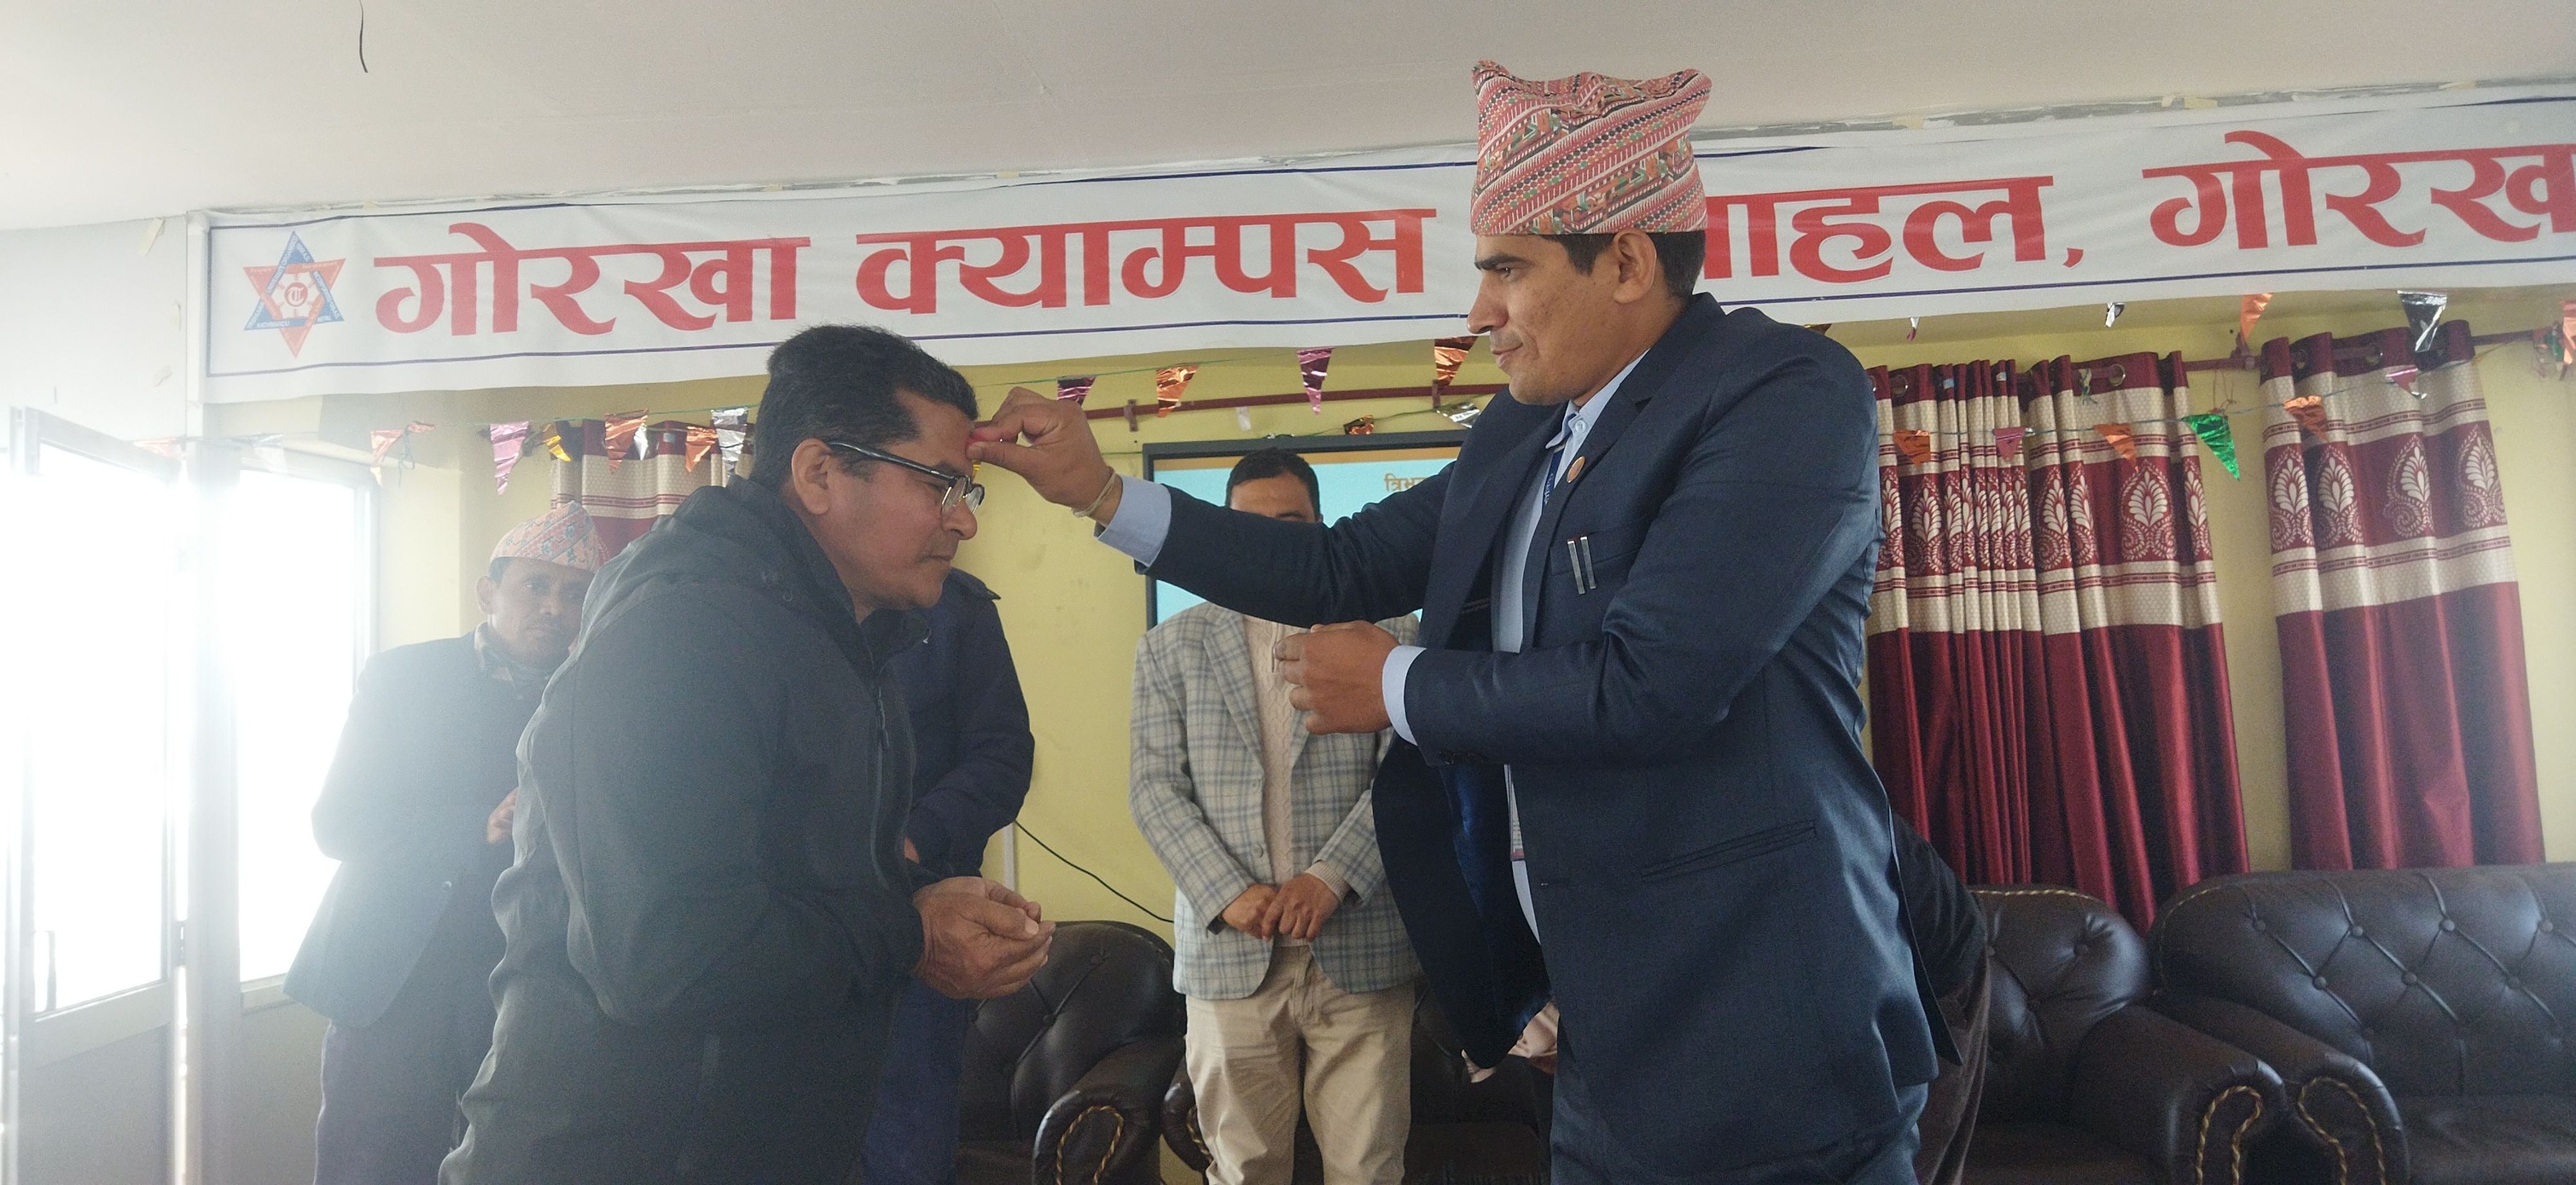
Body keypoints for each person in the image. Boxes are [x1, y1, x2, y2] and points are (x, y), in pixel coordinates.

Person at [974, 61, 1947, 1184]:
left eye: (1506, 269)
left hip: (1756, 1019)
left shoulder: (1781, 392)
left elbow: (1652, 684)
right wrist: (1104, 494)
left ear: (1627, 261)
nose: (1478, 312)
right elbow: (1335, 564)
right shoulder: (1522, 430)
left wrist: (1394, 686)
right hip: (1592, 1022)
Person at [443, 324, 1055, 1185]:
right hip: (625, 1151)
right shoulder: (681, 630)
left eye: (966, 490)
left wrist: (920, 893)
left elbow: (789, 867)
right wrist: (910, 931)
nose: (962, 517)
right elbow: (667, 954)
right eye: (939, 483)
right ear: (819, 472)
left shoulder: (841, 634)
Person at [286, 504, 603, 1185]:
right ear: (488, 593)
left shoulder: (596, 698)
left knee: (511, 1169)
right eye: (535, 586)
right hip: (395, 975)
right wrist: (474, 826)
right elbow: (338, 823)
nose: (554, 607)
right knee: (369, 1166)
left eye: (574, 593)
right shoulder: (403, 677)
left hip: (528, 983)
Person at [1131, 450, 1421, 1185]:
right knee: (1243, 1170)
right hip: (1229, 952)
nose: (1265, 543)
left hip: (1361, 945)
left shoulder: (1389, 633)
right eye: (1246, 526)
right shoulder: (1169, 646)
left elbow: (1411, 776)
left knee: (1369, 1168)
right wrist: (1227, 891)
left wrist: (1330, 877)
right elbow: (1154, 789)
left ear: (1320, 526)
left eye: (1287, 524)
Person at [861, 566, 1036, 1185]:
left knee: (905, 1154)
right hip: (789, 927)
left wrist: (908, 844)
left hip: (920, 915)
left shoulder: (957, 607)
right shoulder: (759, 601)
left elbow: (1003, 757)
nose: (960, 522)